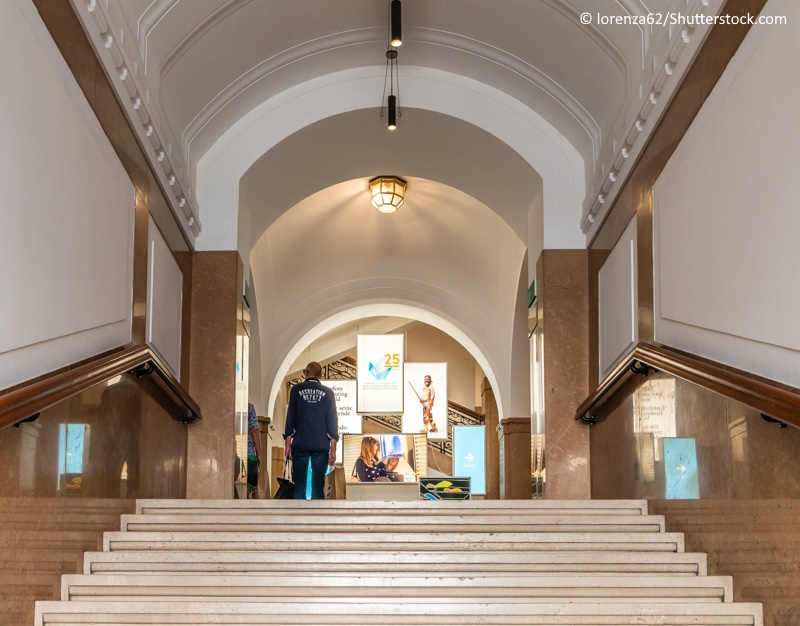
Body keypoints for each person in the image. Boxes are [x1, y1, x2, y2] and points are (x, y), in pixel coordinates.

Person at [283, 362, 338, 499]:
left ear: (306, 373)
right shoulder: (328, 393)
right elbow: (332, 421)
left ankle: (298, 518)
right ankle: (317, 519)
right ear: (320, 375)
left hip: (300, 443)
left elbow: (291, 417)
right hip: (320, 446)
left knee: (300, 484)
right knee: (318, 485)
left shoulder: (296, 390)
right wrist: (333, 449)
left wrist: (288, 443)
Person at [246, 401, 262, 498]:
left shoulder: (229, 406)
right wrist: (259, 453)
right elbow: (254, 430)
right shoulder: (249, 408)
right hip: (249, 453)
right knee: (248, 484)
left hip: (232, 451)